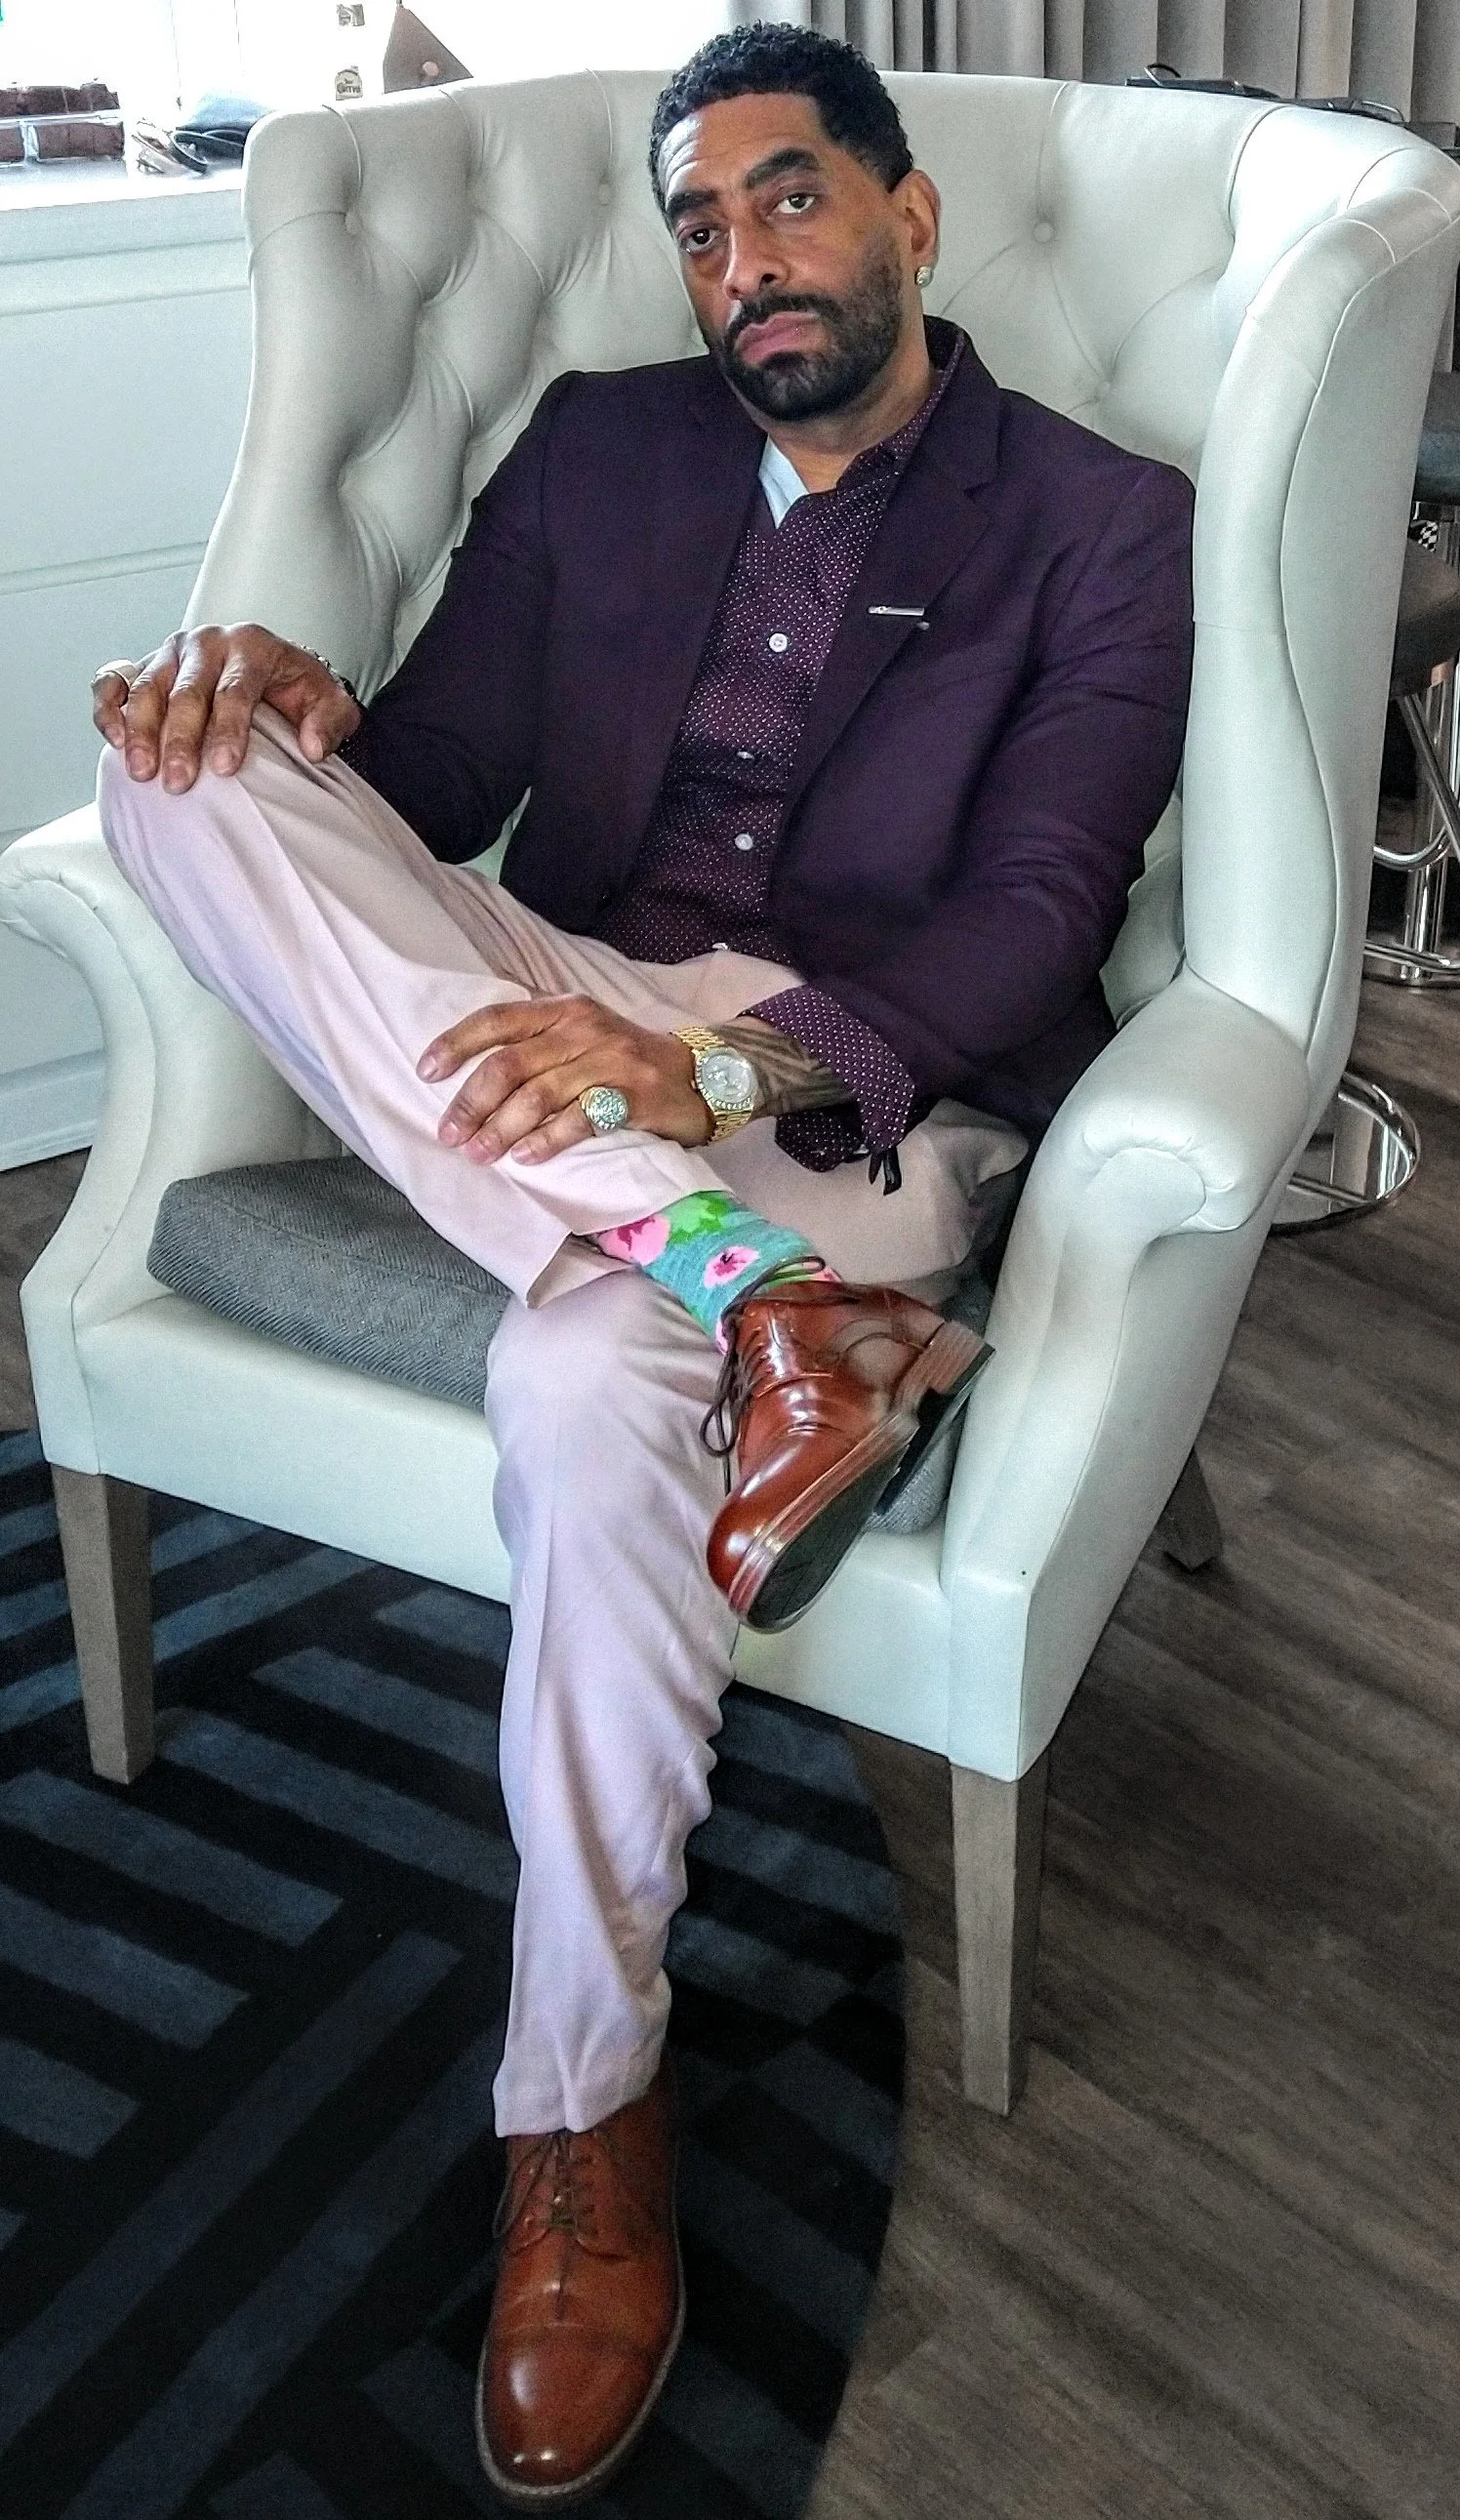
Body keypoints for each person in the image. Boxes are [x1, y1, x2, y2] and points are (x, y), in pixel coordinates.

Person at [93, 23, 1194, 2506]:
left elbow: (1033, 927)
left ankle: (577, 2123)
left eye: (788, 205)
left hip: (844, 1080)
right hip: (561, 1018)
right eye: (700, 226)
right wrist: (303, 721)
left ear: (910, 218)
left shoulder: (1101, 520)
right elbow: (441, 773)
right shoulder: (599, 445)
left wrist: (703, 1080)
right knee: (165, 772)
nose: (741, 265)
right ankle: (770, 1313)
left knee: (592, 1396)